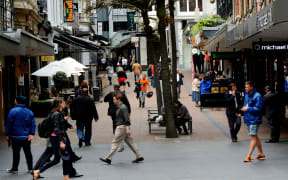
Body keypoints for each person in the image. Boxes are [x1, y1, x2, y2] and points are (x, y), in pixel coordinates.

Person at [33, 99, 80, 180]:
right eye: (63, 102)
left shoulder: (57, 113)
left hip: (56, 137)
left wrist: (67, 124)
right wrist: (61, 141)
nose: (65, 103)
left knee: (59, 159)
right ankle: (38, 171)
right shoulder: (57, 114)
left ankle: (65, 176)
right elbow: (57, 128)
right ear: (59, 104)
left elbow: (59, 125)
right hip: (57, 137)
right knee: (62, 157)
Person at [100, 92, 144, 164]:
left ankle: (108, 158)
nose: (113, 101)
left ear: (118, 100)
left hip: (121, 127)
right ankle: (139, 156)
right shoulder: (120, 107)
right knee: (130, 142)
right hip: (122, 127)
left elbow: (127, 119)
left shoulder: (123, 108)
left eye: (114, 99)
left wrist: (127, 129)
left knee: (115, 142)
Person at [5, 96, 36, 174]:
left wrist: (7, 134)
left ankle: (15, 169)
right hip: (26, 136)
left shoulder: (13, 111)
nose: (14, 100)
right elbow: (33, 124)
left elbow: (9, 124)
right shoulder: (29, 111)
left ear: (17, 101)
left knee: (16, 153)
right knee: (28, 152)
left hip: (15, 136)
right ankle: (30, 168)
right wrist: (32, 134)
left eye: (15, 99)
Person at [241, 81, 265, 163]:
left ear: (251, 87)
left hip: (254, 119)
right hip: (249, 118)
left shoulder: (258, 96)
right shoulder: (247, 94)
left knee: (253, 137)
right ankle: (261, 153)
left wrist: (247, 109)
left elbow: (258, 108)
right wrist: (242, 112)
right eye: (245, 87)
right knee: (254, 136)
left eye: (247, 87)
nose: (246, 88)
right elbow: (246, 105)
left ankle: (249, 156)